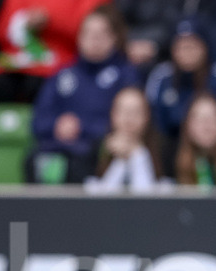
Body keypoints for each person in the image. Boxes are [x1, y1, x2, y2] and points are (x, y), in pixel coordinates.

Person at [27, 5, 140, 184]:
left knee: (84, 160)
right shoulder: (63, 74)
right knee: (34, 159)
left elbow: (132, 121)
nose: (94, 40)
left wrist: (82, 127)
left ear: (114, 38)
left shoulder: (126, 75)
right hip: (58, 149)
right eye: (87, 33)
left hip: (100, 152)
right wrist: (57, 124)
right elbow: (38, 121)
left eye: (101, 34)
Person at [145, 16, 216, 179]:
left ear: (205, 47)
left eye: (192, 45)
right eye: (181, 46)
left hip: (215, 145)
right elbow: (153, 118)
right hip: (170, 148)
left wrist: (205, 131)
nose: (186, 52)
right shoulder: (161, 76)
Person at [0, 0, 106, 103]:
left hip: (60, 59)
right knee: (1, 83)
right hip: (18, 57)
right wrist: (23, 20)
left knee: (37, 86)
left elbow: (91, 29)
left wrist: (50, 20)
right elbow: (0, 32)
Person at [85, 86, 161, 192]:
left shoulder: (162, 150)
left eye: (136, 111)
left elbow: (147, 199)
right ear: (112, 114)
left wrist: (137, 153)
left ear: (147, 116)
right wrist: (121, 159)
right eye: (123, 111)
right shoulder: (94, 150)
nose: (129, 118)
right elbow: (102, 200)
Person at [175, 92, 216, 185]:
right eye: (200, 119)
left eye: (212, 118)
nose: (206, 126)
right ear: (188, 125)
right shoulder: (172, 160)